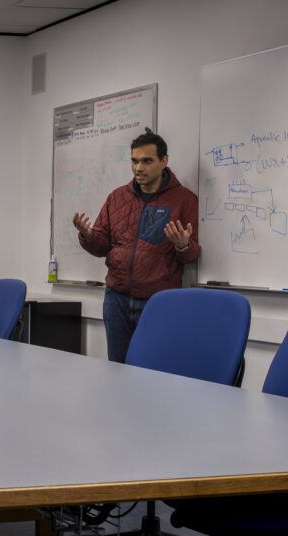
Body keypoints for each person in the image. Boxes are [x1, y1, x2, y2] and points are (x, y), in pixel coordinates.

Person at [72, 128, 200, 362]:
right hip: (116, 298)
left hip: (158, 301)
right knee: (117, 367)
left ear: (164, 161)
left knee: (154, 369)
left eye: (147, 161)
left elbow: (191, 255)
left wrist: (183, 245)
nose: (139, 167)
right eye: (134, 161)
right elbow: (101, 247)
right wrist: (88, 236)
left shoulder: (184, 200)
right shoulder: (117, 197)